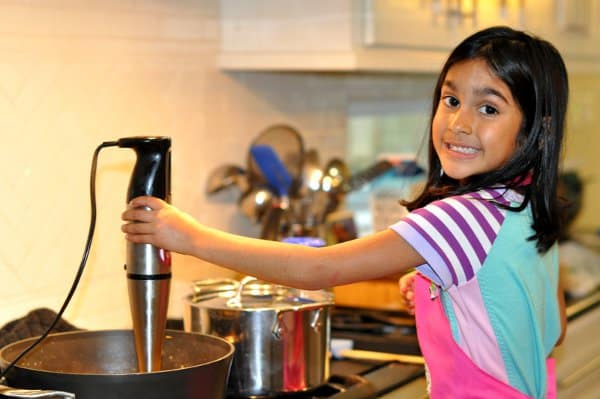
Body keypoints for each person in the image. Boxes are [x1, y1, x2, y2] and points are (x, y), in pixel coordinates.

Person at [122, 26, 568, 399]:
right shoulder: (520, 206)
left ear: (534, 128)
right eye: (451, 100)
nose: (459, 123)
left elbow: (317, 268)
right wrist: (455, 293)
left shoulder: (462, 218)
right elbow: (551, 327)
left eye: (488, 108)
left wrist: (189, 236)